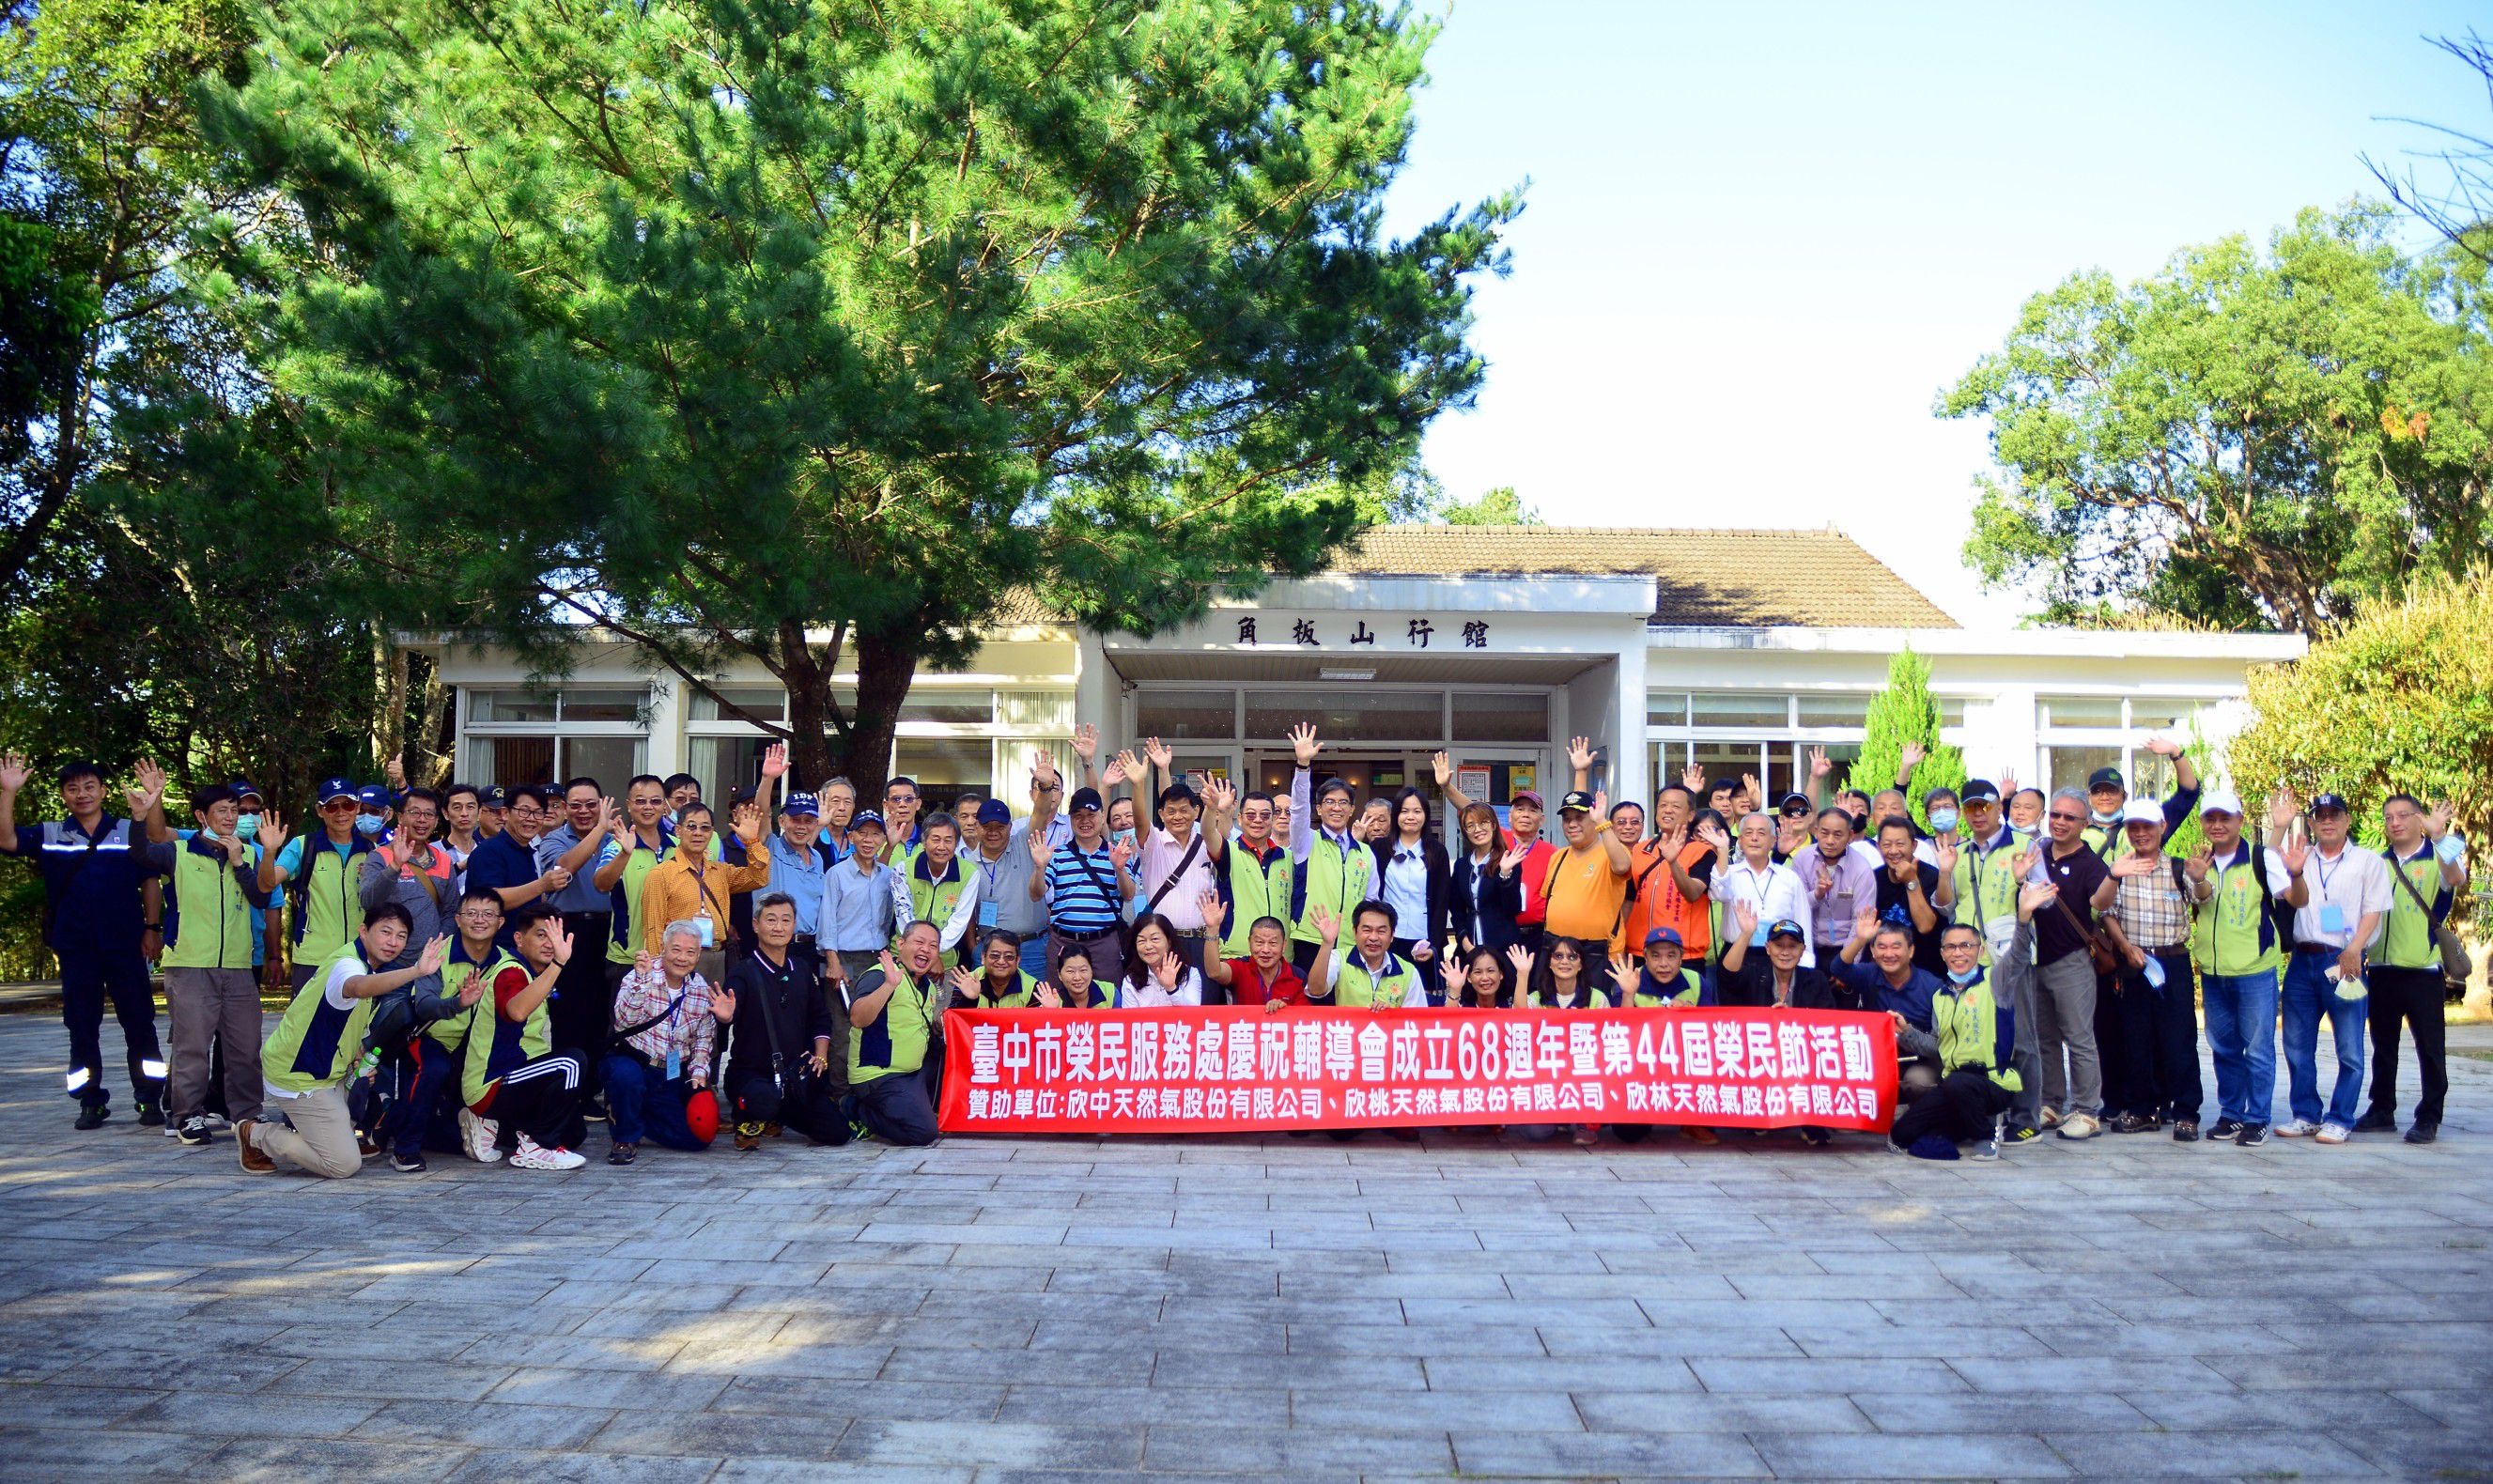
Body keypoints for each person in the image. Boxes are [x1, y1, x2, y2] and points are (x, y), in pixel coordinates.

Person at [0, 754, 171, 1129]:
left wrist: (152, 927)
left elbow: (150, 878)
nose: (82, 794)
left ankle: (149, 1098)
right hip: (76, 946)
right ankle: (90, 1101)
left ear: (103, 791)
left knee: (139, 1021)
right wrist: (8, 791)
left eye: (89, 786)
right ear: (63, 795)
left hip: (126, 944)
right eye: (73, 788)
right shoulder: (50, 833)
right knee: (81, 1024)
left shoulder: (127, 829)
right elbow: (7, 839)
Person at [240, 902, 449, 1178]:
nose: (393, 942)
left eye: (401, 936)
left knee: (361, 1093)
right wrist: (415, 972)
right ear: (363, 931)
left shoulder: (368, 965)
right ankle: (256, 1133)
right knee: (343, 1164)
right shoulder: (348, 964)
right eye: (385, 932)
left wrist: (358, 1056)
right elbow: (357, 988)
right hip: (299, 1075)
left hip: (325, 1073)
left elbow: (347, 1022)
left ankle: (328, 1131)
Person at [144, 783, 272, 1148]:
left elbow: (261, 897)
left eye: (235, 810)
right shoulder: (179, 851)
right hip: (189, 964)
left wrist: (239, 862)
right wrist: (143, 814)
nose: (231, 817)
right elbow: (141, 853)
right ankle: (187, 1115)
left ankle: (247, 1112)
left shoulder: (248, 852)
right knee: (192, 1047)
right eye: (222, 811)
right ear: (201, 816)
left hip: (238, 964)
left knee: (245, 1046)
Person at [2187, 789, 2310, 1148]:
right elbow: (2202, 899)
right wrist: (2198, 878)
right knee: (2223, 1048)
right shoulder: (2199, 862)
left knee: (2257, 1050)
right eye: (2211, 818)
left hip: (2254, 970)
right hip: (2214, 971)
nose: (2218, 825)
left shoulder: (2261, 858)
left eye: (2225, 818)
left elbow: (2298, 900)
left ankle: (2257, 1119)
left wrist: (2297, 874)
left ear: (2240, 821)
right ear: (2203, 822)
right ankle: (2231, 1114)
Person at [2274, 789, 2390, 1144]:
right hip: (2303, 959)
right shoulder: (2301, 856)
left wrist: (2354, 949)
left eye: (2334, 814)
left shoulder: (2368, 861)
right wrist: (2279, 829)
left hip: (2344, 959)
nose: (2327, 821)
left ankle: (2341, 1117)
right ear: (2311, 822)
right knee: (2296, 1044)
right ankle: (2306, 1113)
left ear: (2347, 820)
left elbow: (2373, 910)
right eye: (2320, 816)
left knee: (2350, 1047)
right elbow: (2270, 873)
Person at [1888, 909, 2037, 1163]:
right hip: (1954, 1085)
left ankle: (1986, 1134)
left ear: (1981, 950)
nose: (1958, 953)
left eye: (1966, 946)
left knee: (1959, 1083)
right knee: (1901, 1134)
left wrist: (2023, 919)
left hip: (1994, 1082)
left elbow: (2019, 954)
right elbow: (1938, 1046)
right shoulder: (1940, 996)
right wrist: (1907, 1033)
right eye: (1951, 947)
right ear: (1942, 953)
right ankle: (1964, 1126)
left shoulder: (1995, 980)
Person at [384, 884, 512, 1171]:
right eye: (472, 913)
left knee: (484, 1136)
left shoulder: (507, 962)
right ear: (458, 919)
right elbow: (424, 1005)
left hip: (478, 1051)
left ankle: (396, 1121)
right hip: (432, 1040)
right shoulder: (438, 953)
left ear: (500, 922)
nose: (479, 920)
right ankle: (405, 1149)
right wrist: (457, 1003)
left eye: (488, 914)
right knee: (434, 1068)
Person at [2361, 795, 2466, 1143]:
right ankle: (2381, 1109)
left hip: (2423, 970)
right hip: (2381, 968)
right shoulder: (2378, 863)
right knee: (2383, 1046)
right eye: (2389, 817)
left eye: (2403, 815)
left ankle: (2429, 1117)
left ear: (2420, 819)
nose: (2395, 822)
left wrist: (2440, 837)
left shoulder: (2438, 857)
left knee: (2430, 1048)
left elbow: (2456, 878)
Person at [2097, 800, 2203, 1138]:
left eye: (2147, 826)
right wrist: (2126, 947)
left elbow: (2202, 898)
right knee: (2136, 1039)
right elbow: (2103, 911)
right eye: (2134, 827)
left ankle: (2186, 1113)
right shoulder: (2119, 868)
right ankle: (2142, 1109)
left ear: (2162, 828)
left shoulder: (2178, 867)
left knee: (2179, 1040)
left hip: (2172, 961)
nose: (2141, 833)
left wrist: (2200, 879)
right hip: (2133, 962)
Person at [458, 900, 590, 1170]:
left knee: (574, 1134)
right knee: (571, 1063)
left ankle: (495, 1126)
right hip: (492, 1083)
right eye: (541, 935)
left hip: (519, 1076)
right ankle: (536, 1147)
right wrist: (559, 963)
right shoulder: (511, 970)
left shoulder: (535, 972)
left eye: (556, 937)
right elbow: (517, 1011)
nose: (550, 944)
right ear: (519, 939)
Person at [723, 892, 849, 1150]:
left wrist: (821, 1057)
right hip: (752, 1075)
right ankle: (747, 1118)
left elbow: (820, 1017)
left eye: (786, 920)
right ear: (756, 925)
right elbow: (728, 1012)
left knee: (837, 1132)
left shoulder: (801, 969)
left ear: (794, 925)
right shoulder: (742, 973)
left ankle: (777, 1115)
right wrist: (726, 1016)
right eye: (771, 920)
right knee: (762, 1098)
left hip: (793, 1077)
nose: (778, 927)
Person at [2027, 788, 2117, 1141]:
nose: (2060, 822)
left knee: (2079, 1039)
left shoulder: (2091, 864)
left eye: (2070, 817)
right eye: (2055, 815)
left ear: (2084, 823)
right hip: (2036, 959)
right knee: (2044, 1037)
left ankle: (2087, 1111)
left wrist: (2115, 876)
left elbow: (2100, 903)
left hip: (2071, 960)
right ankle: (2051, 1103)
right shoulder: (2038, 851)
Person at [603, 920, 728, 1164]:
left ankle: (632, 1115)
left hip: (669, 1073)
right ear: (663, 948)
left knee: (698, 1139)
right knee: (625, 1077)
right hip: (633, 1061)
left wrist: (699, 1074)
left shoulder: (700, 988)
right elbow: (623, 1021)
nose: (682, 958)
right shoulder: (640, 975)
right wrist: (641, 982)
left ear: (698, 955)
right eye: (676, 949)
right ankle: (625, 1137)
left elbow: (703, 1040)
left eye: (690, 952)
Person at [534, 778, 622, 1102]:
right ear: (564, 808)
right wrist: (599, 829)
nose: (583, 811)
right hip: (569, 931)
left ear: (601, 804)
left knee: (602, 1013)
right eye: (576, 805)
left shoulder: (616, 838)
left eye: (591, 805)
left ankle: (593, 1088)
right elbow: (565, 867)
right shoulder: (554, 839)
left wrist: (607, 833)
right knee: (570, 1015)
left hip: (609, 931)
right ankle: (569, 1091)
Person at [1124, 743, 1230, 983]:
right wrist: (1138, 784)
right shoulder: (1154, 842)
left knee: (1205, 1001)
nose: (1177, 816)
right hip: (1163, 943)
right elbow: (1140, 820)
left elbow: (1222, 830)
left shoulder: (1206, 841)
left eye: (1184, 810)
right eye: (1170, 812)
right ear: (1161, 814)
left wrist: (1218, 809)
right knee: (1165, 1001)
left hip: (1203, 940)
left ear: (1196, 811)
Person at [260, 776, 377, 990]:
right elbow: (268, 883)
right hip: (313, 957)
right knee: (308, 1013)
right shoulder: (303, 846)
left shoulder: (371, 851)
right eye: (331, 806)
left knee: (357, 1012)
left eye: (348, 805)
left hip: (359, 954)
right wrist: (269, 852)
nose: (341, 812)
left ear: (358, 807)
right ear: (319, 811)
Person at [636, 800, 770, 978]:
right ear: (678, 831)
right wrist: (656, 973)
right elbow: (653, 929)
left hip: (718, 956)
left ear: (712, 833)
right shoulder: (661, 874)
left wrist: (752, 842)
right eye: (691, 826)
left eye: (705, 828)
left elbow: (759, 878)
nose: (698, 833)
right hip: (680, 959)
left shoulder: (721, 872)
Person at [843, 921, 946, 1146]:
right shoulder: (879, 975)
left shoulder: (927, 984)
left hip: (912, 1070)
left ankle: (916, 1104)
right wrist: (889, 985)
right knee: (924, 1132)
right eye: (919, 942)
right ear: (900, 944)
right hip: (880, 1075)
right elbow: (857, 1018)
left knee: (952, 1056)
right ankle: (859, 1110)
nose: (926, 949)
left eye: (933, 946)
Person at [1505, 936, 1605, 1146]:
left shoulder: (1597, 998)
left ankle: (1582, 1124)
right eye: (1558, 956)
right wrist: (1522, 974)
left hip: (1583, 1075)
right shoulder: (1537, 998)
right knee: (1535, 1132)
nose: (1564, 961)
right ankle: (1559, 1118)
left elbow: (1614, 1039)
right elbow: (1518, 1021)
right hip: (1545, 1078)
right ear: (1549, 963)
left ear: (1581, 965)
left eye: (1572, 957)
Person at [1035, 786, 1136, 984]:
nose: (1085, 821)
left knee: (1107, 998)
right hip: (1063, 942)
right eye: (1078, 816)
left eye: (1091, 815)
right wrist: (1039, 868)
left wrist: (1120, 869)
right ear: (1070, 819)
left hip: (1104, 943)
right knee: (1059, 998)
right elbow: (1036, 893)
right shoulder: (1057, 854)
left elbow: (1128, 894)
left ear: (1102, 816)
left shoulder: (1117, 852)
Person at [1835, 913, 1943, 1085]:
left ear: (1911, 951)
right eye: (1882, 947)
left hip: (1920, 1059)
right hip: (1877, 1057)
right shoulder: (1869, 973)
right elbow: (1838, 968)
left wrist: (1906, 1032)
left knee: (1918, 1082)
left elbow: (1939, 1045)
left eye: (1896, 947)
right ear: (1873, 951)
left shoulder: (1933, 986)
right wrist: (1860, 940)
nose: (1889, 954)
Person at [1539, 788, 1632, 987]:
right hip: (1556, 950)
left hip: (1596, 952)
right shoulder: (1558, 856)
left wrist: (1603, 823)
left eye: (1579, 818)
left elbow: (1622, 866)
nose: (1572, 824)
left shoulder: (1610, 852)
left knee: (1595, 1005)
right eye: (1567, 819)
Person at [595, 774, 676, 993]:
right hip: (628, 957)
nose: (648, 807)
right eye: (640, 801)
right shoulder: (616, 846)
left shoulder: (678, 846)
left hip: (673, 957)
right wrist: (625, 853)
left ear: (664, 806)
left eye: (655, 801)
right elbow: (601, 884)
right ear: (629, 806)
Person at [464, 783, 570, 952]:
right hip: (494, 952)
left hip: (524, 950)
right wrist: (542, 885)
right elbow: (490, 901)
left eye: (538, 813)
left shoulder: (528, 851)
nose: (531, 818)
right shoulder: (489, 851)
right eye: (524, 811)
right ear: (505, 813)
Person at [1706, 812, 1814, 968]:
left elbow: (1802, 921)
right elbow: (1718, 893)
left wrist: (1806, 965)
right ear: (1740, 840)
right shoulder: (1729, 874)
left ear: (1773, 841)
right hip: (1737, 954)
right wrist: (1722, 850)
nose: (1754, 838)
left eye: (1761, 833)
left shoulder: (1789, 878)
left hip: (1780, 956)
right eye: (1748, 833)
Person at [1210, 783, 1293, 974]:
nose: (1257, 820)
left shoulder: (1288, 857)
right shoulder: (1228, 851)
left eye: (1265, 815)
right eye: (1250, 815)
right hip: (1238, 956)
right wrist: (1215, 809)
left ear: (1273, 819)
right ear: (1239, 818)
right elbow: (1208, 833)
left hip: (1281, 958)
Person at [1369, 784, 1449, 979]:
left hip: (1423, 941)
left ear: (1425, 815)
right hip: (1387, 939)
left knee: (1424, 993)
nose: (1410, 817)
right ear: (1396, 815)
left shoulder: (1437, 852)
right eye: (1404, 811)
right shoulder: (1379, 848)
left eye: (1417, 811)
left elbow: (1442, 901)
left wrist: (1434, 943)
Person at [1448, 803, 1528, 996]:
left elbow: (1513, 908)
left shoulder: (1508, 860)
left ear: (1493, 825)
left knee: (1503, 1001)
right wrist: (1464, 940)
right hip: (1470, 949)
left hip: (1502, 948)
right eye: (1470, 825)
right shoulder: (1461, 865)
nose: (1478, 829)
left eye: (1483, 822)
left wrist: (1505, 874)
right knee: (1469, 1000)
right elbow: (1456, 909)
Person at [972, 782, 1049, 981]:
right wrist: (974, 948)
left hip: (1031, 948)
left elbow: (1041, 812)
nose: (993, 832)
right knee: (987, 1001)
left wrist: (1046, 786)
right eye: (987, 827)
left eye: (1000, 827)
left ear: (1010, 826)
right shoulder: (967, 864)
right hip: (990, 950)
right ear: (977, 827)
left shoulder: (1024, 843)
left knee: (1036, 999)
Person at [2080, 737, 2200, 857]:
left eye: (2112, 791)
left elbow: (2188, 793)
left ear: (2124, 796)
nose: (2105, 796)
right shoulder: (2076, 828)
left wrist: (2175, 752)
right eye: (2097, 791)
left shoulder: (2147, 824)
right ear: (2089, 797)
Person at [1789, 808, 1875, 975]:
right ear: (1816, 831)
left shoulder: (1862, 868)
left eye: (1837, 835)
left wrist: (1847, 964)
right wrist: (1817, 895)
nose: (1830, 841)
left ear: (1850, 836)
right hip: (1808, 949)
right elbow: (1795, 909)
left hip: (1844, 949)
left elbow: (1860, 922)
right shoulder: (1802, 860)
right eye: (1824, 833)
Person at [1867, 815, 1952, 979]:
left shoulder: (1931, 876)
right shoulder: (1873, 879)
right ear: (1878, 847)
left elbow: (1925, 926)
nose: (1893, 851)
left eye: (1900, 844)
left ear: (1913, 845)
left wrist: (1911, 881)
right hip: (1885, 973)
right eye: (1887, 845)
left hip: (1927, 972)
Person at [905, 810, 987, 971]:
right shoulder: (903, 870)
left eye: (948, 840)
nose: (941, 847)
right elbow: (904, 916)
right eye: (936, 839)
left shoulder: (969, 874)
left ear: (956, 844)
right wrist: (925, 951)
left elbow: (959, 921)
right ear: (924, 842)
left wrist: (933, 952)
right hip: (905, 956)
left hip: (945, 961)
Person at [1202, 899, 1308, 1011]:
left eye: (1273, 943)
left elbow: (1304, 1016)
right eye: (1259, 942)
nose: (1266, 950)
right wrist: (1212, 930)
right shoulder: (1241, 968)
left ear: (1284, 945)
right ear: (1249, 943)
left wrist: (1284, 1010)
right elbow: (1214, 972)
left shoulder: (1297, 976)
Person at [1117, 913, 1208, 1007]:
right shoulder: (1130, 980)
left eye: (1155, 939)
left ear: (1169, 942)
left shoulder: (1189, 973)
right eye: (1141, 941)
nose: (1148, 946)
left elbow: (1193, 1013)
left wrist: (1172, 989)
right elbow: (1130, 1016)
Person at [1610, 927, 1709, 1007]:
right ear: (1646, 957)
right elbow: (1620, 1023)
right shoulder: (1628, 981)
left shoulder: (1697, 981)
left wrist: (1689, 1012)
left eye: (1671, 956)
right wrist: (1628, 995)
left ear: (1681, 957)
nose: (1663, 964)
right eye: (1655, 956)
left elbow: (1710, 1020)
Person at [951, 929, 1043, 1008]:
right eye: (995, 956)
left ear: (1017, 960)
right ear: (983, 958)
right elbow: (953, 1020)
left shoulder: (1034, 988)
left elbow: (1038, 1021)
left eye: (1009, 957)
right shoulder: (966, 982)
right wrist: (970, 1000)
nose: (1001, 962)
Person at [1036, 945, 1107, 1009]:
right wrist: (1052, 1012)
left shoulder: (1109, 991)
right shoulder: (1051, 1002)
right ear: (1059, 974)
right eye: (1070, 971)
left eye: (1083, 970)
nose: (1077, 978)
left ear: (1091, 971)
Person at [440, 782, 486, 871]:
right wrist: (459, 867)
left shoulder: (487, 850)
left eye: (470, 807)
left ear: (479, 813)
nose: (464, 813)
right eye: (457, 807)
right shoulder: (433, 851)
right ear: (445, 813)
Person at [880, 775, 923, 867]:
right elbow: (873, 873)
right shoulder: (876, 839)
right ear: (886, 805)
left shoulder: (928, 839)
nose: (902, 804)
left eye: (909, 799)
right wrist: (889, 847)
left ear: (918, 804)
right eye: (896, 799)